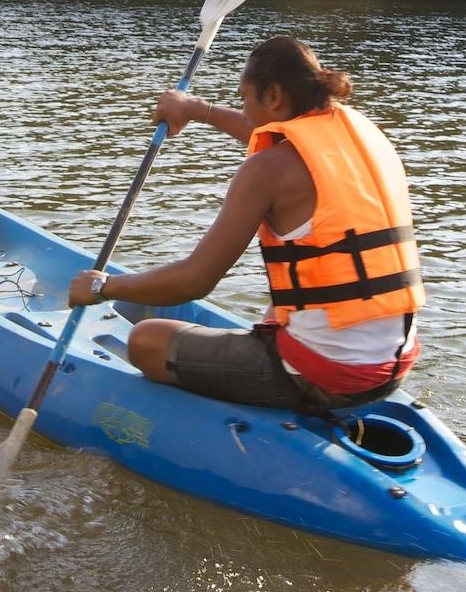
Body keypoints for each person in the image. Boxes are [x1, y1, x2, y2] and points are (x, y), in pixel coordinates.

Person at [68, 35, 423, 412]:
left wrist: (104, 287)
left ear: (272, 96)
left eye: (244, 97)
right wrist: (196, 109)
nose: (244, 108)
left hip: (323, 375)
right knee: (275, 312)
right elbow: (262, 133)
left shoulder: (266, 171)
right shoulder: (356, 133)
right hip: (392, 366)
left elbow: (194, 280)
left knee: (146, 340)